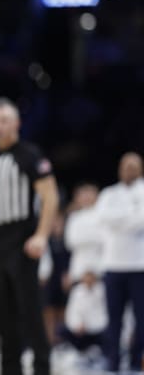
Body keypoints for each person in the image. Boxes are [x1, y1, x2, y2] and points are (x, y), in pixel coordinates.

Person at [0, 97, 59, 375]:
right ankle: (10, 369)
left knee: (31, 312)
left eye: (4, 120)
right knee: (4, 316)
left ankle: (42, 368)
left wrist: (41, 235)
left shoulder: (30, 154)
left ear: (16, 123)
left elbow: (50, 196)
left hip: (24, 237)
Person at [95, 151, 144, 372]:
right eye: (125, 165)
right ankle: (113, 361)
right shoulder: (108, 193)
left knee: (141, 318)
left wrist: (121, 220)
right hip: (113, 264)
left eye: (133, 166)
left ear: (140, 169)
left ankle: (136, 360)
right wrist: (130, 216)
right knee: (114, 318)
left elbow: (140, 222)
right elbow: (103, 218)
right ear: (119, 168)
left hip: (139, 265)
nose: (129, 169)